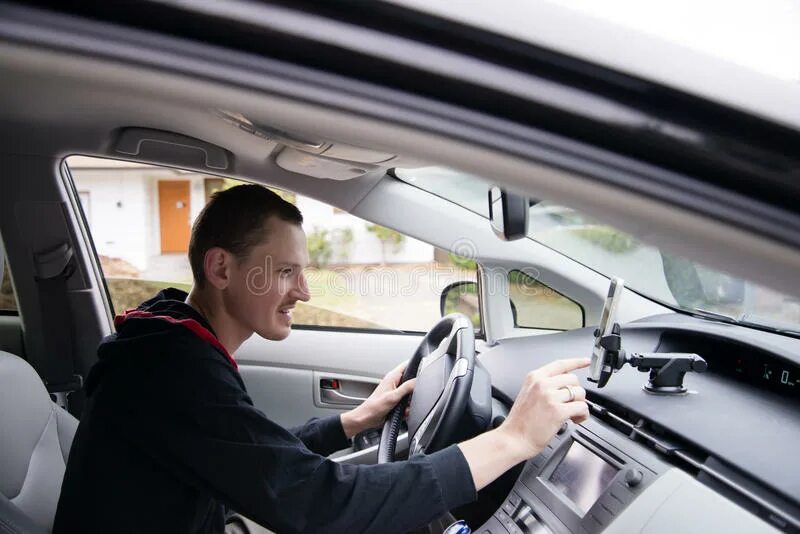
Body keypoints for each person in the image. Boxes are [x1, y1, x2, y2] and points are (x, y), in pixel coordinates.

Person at [54, 185, 589, 534]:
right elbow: (317, 504)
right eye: (286, 272)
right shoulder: (172, 369)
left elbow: (251, 454)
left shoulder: (172, 338)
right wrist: (512, 439)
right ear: (221, 269)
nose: (304, 292)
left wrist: (351, 422)